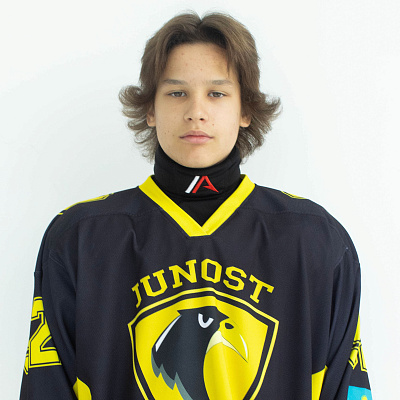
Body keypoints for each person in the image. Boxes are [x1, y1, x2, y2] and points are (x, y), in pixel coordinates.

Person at [20, 11, 372, 400]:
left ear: (245, 110)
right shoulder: (80, 238)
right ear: (150, 109)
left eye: (217, 93)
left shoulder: (316, 240)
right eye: (177, 93)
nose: (196, 112)